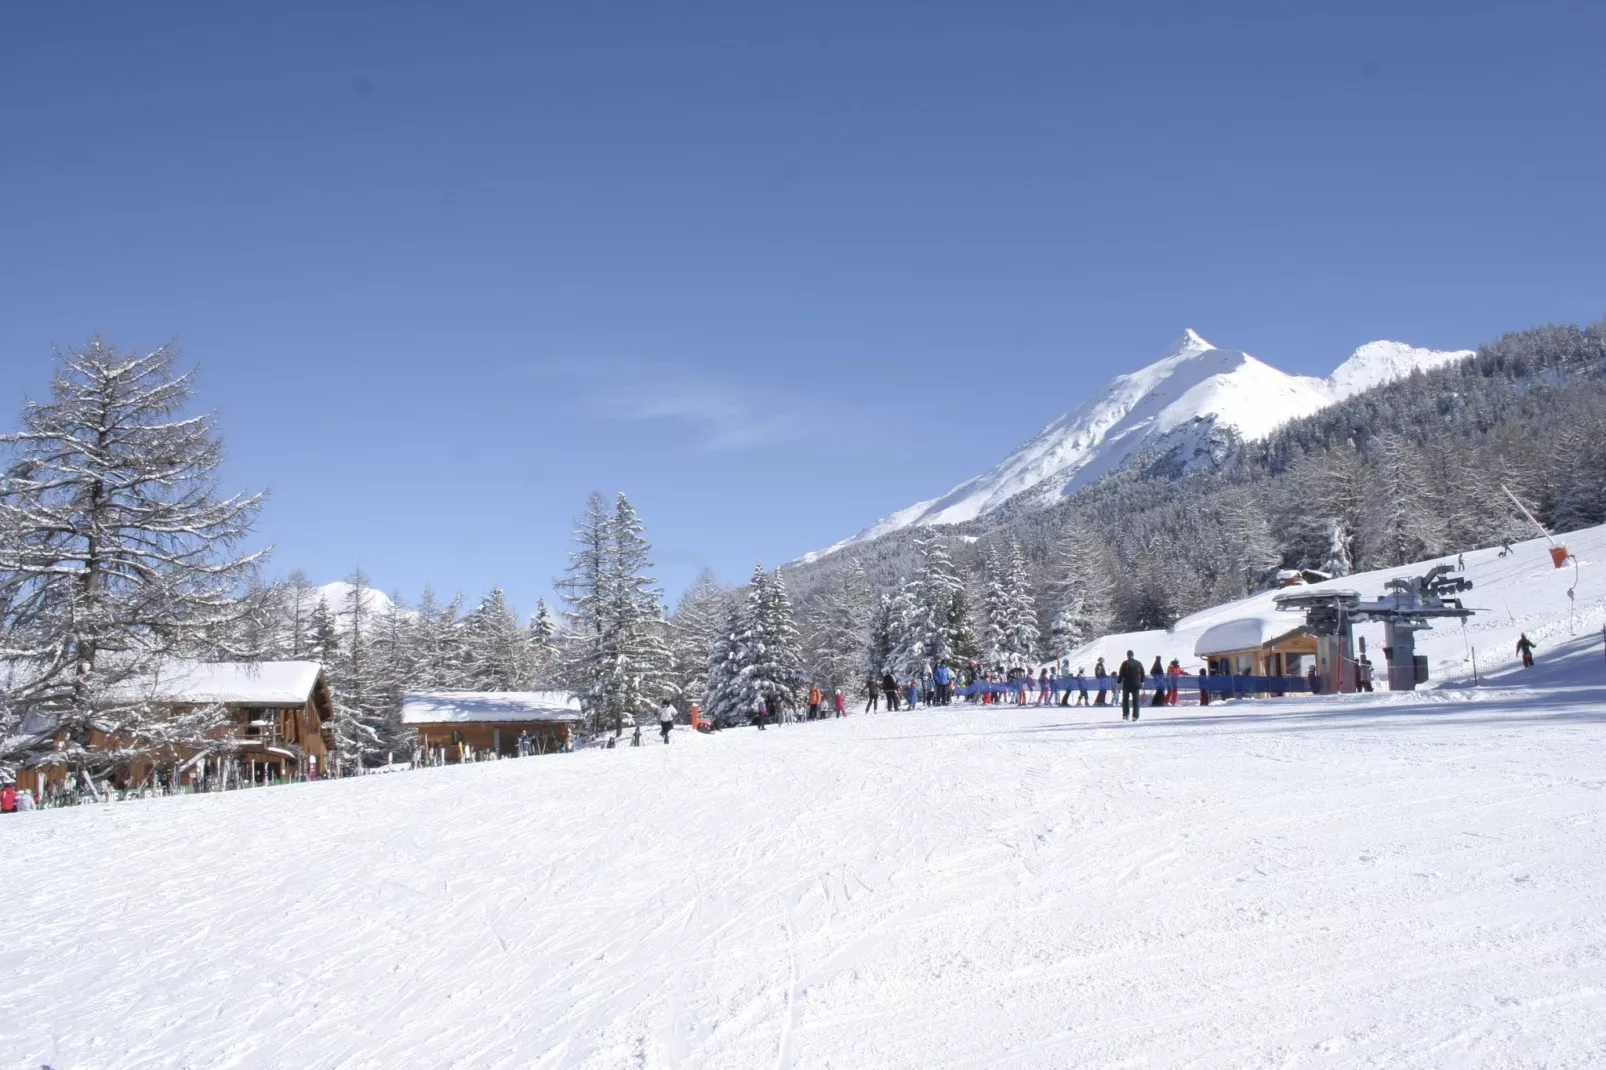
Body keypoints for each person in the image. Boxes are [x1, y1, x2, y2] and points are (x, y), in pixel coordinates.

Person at [1117, 650, 1146, 721]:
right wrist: (1142, 682)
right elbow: (1142, 673)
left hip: (1127, 684)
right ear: (1133, 655)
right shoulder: (1138, 663)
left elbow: (1121, 674)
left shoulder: (1125, 663)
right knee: (1136, 700)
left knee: (1125, 700)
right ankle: (1135, 716)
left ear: (1127, 655)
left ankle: (1125, 715)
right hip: (1136, 684)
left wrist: (1118, 683)